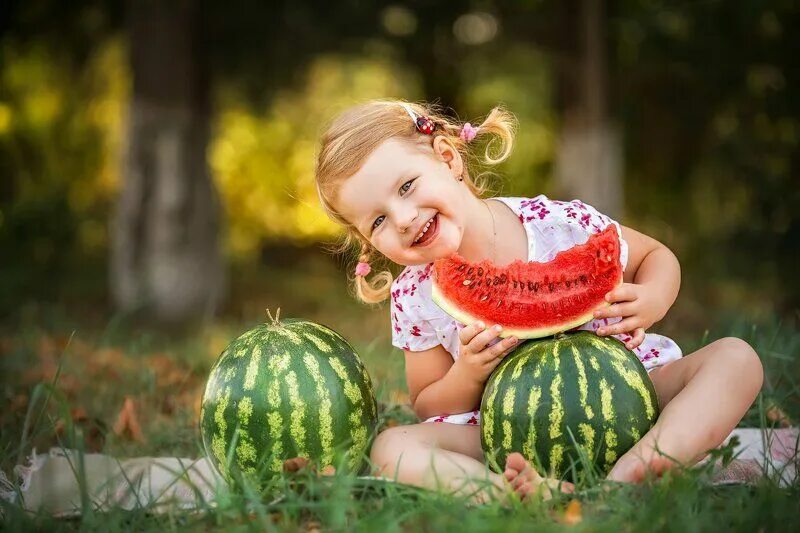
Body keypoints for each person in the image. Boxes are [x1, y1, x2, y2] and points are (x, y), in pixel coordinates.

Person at [313, 99, 763, 502]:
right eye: (378, 221)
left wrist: (652, 298)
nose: (405, 218)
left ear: (448, 159)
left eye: (407, 187)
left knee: (736, 359)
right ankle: (519, 495)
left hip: (633, 397)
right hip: (507, 433)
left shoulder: (555, 222)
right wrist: (468, 374)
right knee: (392, 448)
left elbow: (656, 257)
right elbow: (429, 404)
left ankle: (635, 472)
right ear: (368, 243)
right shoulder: (414, 295)